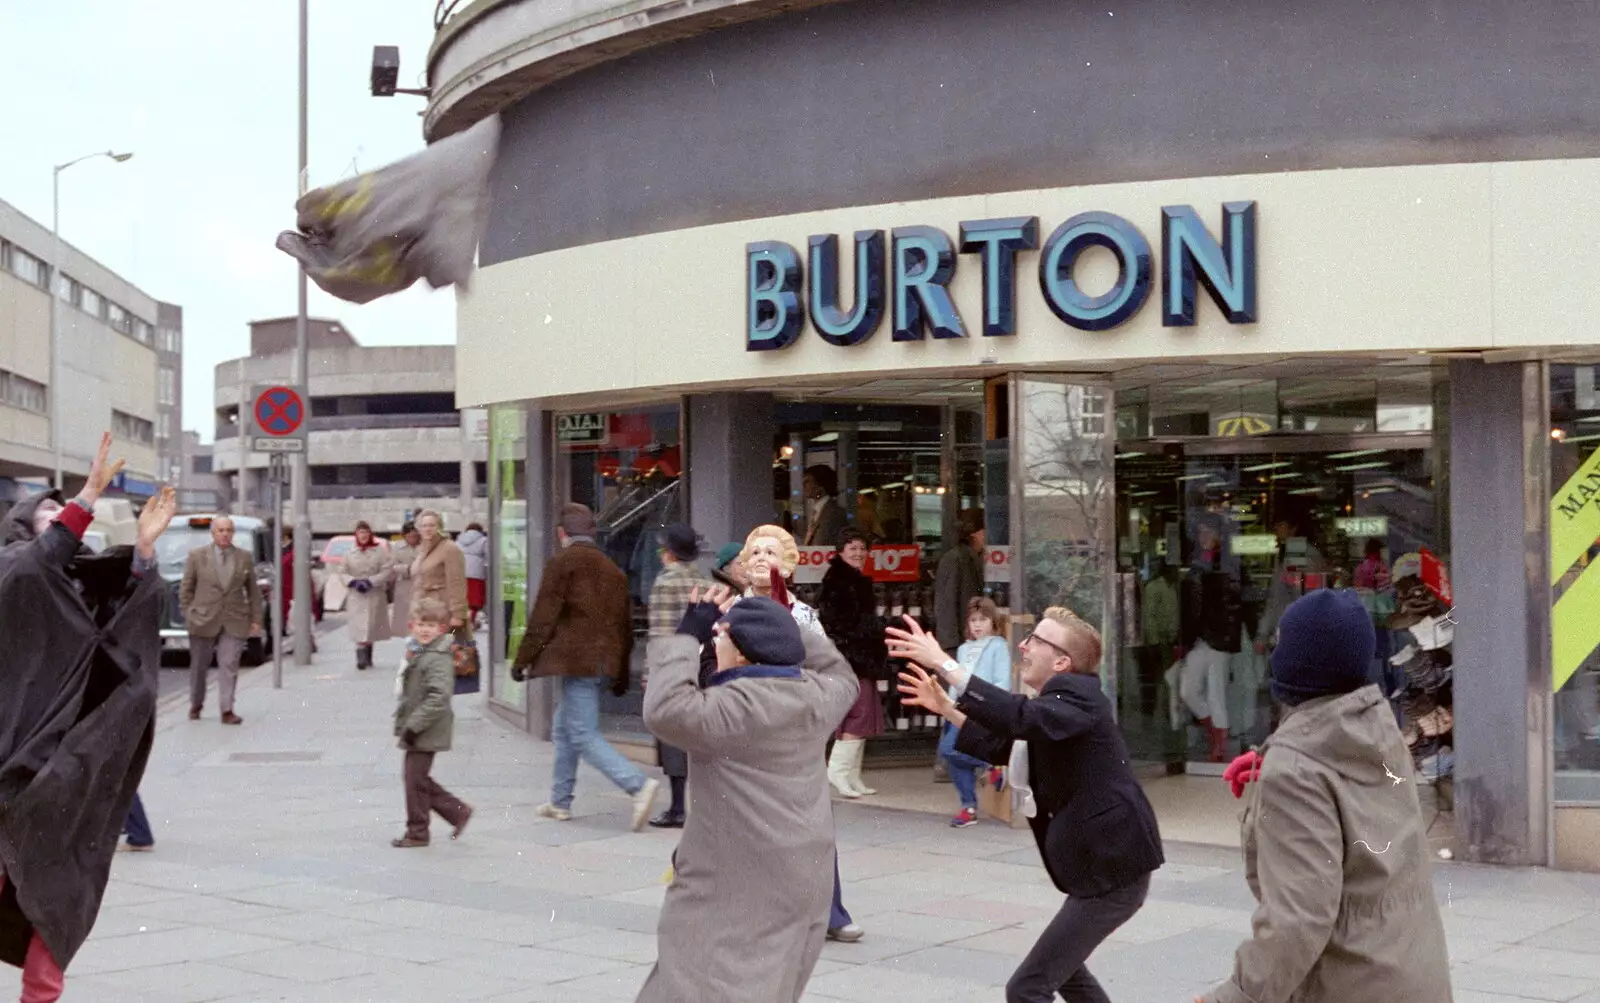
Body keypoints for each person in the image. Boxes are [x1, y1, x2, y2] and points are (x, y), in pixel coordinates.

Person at [890, 606, 1163, 1003]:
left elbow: (1020, 719)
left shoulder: (1079, 696)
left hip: (1114, 870)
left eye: (1035, 639)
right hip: (1103, 866)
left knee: (1026, 988)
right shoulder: (1059, 703)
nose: (1023, 644)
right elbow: (1010, 744)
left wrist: (944, 664)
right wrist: (946, 709)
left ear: (1062, 661)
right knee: (1066, 975)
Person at [1200, 590, 1450, 1003]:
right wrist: (1276, 755)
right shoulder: (1378, 730)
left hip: (1348, 983)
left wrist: (1235, 997)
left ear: (1301, 660)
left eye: (1283, 642)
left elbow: (1296, 921)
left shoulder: (1297, 770)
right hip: (1410, 971)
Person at [0, 436, 177, 1002]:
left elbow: (126, 621)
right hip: (13, 757)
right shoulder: (14, 570)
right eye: (47, 512)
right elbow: (35, 569)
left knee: (60, 890)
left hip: (70, 764)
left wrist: (144, 552)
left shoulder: (79, 576)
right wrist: (88, 494)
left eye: (64, 510)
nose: (61, 518)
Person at [637, 588, 858, 1003]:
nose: (714, 643)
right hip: (804, 874)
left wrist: (688, 632)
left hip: (737, 882)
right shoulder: (819, 697)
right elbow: (840, 672)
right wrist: (787, 623)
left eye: (720, 638)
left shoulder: (730, 709)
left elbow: (664, 708)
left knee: (704, 982)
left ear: (739, 654)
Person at [738, 524, 863, 943]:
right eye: (754, 552)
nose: (760, 558)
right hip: (746, 729)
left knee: (812, 822)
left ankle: (831, 911)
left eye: (770, 553)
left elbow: (826, 670)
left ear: (788, 565)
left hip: (795, 730)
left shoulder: (803, 615)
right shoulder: (730, 612)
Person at [511, 503, 660, 830]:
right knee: (564, 730)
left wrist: (523, 659)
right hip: (601, 662)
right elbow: (624, 627)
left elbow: (543, 617)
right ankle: (559, 801)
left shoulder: (562, 563)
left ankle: (637, 784)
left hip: (576, 661)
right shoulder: (612, 569)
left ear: (562, 533)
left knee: (581, 733)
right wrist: (620, 671)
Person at [391, 598, 474, 848]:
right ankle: (456, 812)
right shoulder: (423, 651)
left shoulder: (437, 656)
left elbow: (439, 696)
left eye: (431, 625)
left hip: (426, 727)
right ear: (412, 626)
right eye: (421, 624)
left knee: (415, 779)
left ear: (441, 629)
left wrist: (414, 725)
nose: (425, 629)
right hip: (421, 726)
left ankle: (418, 832)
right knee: (416, 778)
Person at [646, 523, 708, 828]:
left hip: (671, 664)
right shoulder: (704, 581)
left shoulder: (665, 583)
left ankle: (676, 807)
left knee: (671, 737)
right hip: (701, 663)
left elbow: (659, 632)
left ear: (669, 553)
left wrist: (650, 672)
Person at [818, 528, 887, 799]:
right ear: (841, 551)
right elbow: (836, 622)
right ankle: (837, 771)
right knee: (858, 713)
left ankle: (851, 774)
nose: (858, 553)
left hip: (858, 657)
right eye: (852, 548)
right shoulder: (838, 582)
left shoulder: (854, 580)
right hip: (851, 658)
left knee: (861, 714)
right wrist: (871, 628)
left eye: (862, 548)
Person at [180, 514, 262, 725]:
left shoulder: (244, 557)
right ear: (213, 533)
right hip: (203, 620)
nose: (225, 534)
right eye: (221, 530)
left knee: (229, 664)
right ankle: (196, 703)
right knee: (199, 666)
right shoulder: (197, 556)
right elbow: (186, 589)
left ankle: (227, 709)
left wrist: (256, 619)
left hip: (234, 619)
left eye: (229, 530)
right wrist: (189, 613)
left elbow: (253, 591)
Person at [941, 597, 1012, 827]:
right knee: (948, 752)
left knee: (951, 750)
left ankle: (991, 765)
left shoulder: (998, 645)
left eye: (983, 619)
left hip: (983, 710)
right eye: (973, 620)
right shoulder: (963, 649)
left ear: (993, 621)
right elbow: (955, 680)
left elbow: (1002, 681)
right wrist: (948, 704)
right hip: (960, 708)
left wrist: (991, 708)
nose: (978, 625)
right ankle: (970, 803)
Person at [1179, 515, 1243, 762]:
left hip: (1218, 635)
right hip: (1201, 636)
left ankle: (1220, 742)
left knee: (1216, 691)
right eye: (1202, 533)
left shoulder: (1226, 563)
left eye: (1209, 533)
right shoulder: (1199, 563)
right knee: (1188, 688)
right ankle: (1214, 732)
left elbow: (1232, 601)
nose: (1204, 538)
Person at [340, 521, 392, 670]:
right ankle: (361, 656)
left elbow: (387, 570)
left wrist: (372, 581)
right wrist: (352, 582)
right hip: (357, 595)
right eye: (360, 532)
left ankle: (368, 654)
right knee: (360, 625)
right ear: (356, 534)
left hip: (374, 593)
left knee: (371, 625)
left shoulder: (380, 551)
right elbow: (342, 571)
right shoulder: (349, 552)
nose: (363, 535)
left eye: (366, 532)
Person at [935, 508, 986, 656]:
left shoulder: (974, 558)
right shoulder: (955, 559)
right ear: (975, 534)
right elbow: (946, 606)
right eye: (984, 531)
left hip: (969, 641)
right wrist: (950, 649)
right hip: (958, 645)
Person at [389, 521, 422, 637]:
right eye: (409, 536)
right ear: (404, 536)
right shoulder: (397, 547)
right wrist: (408, 569)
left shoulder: (424, 546)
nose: (412, 538)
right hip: (404, 584)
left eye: (415, 535)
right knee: (404, 621)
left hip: (421, 585)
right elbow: (392, 565)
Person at [801, 465, 848, 547]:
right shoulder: (818, 511)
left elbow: (826, 544)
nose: (803, 486)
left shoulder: (834, 513)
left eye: (807, 482)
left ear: (820, 486)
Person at [457, 521, 490, 628]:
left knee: (463, 599)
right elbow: (488, 556)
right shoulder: (483, 540)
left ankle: (464, 621)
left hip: (461, 572)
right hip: (477, 573)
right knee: (475, 601)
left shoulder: (458, 540)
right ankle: (471, 621)